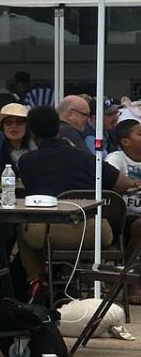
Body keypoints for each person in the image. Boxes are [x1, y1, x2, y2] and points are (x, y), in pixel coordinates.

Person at [15, 106, 141, 288]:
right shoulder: (87, 158)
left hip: (47, 234)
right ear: (58, 128)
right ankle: (82, 281)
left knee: (22, 228)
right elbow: (124, 184)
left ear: (31, 132)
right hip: (93, 233)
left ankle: (37, 279)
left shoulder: (26, 161)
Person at [106, 119, 141, 303]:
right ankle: (131, 281)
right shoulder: (116, 158)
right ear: (126, 141)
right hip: (122, 217)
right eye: (140, 134)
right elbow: (110, 180)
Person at [0, 102, 33, 167]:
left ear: (27, 126)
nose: (14, 126)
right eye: (8, 122)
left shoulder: (36, 151)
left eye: (19, 122)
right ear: (2, 127)